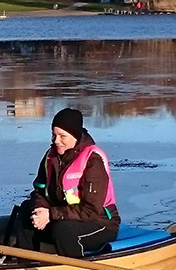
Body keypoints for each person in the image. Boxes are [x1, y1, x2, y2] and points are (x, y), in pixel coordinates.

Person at [15, 108, 120, 258]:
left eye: (62, 136)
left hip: (100, 223)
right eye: (54, 135)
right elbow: (39, 190)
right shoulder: (50, 157)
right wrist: (40, 209)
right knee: (27, 211)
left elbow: (91, 210)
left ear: (75, 136)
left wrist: (51, 214)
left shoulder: (93, 160)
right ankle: (26, 264)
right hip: (66, 216)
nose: (56, 141)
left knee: (63, 229)